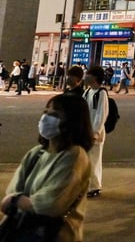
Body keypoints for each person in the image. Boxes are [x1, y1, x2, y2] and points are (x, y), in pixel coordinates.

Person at [2, 94, 93, 241]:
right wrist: (19, 200)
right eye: (46, 112)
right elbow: (13, 190)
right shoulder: (37, 153)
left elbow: (51, 204)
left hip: (54, 235)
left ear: (72, 122)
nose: (46, 118)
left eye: (55, 114)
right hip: (21, 230)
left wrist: (16, 200)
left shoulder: (74, 155)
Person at [82, 65, 109, 198]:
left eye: (88, 74)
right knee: (86, 160)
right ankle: (88, 185)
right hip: (86, 131)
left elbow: (101, 114)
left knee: (94, 160)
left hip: (94, 133)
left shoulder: (101, 93)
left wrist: (95, 132)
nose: (85, 76)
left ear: (95, 77)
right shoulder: (87, 92)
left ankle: (95, 186)